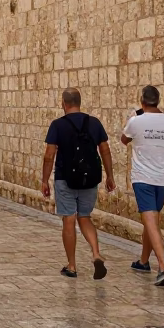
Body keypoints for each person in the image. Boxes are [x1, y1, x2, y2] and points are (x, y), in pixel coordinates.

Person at [42, 88, 115, 279]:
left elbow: (49, 155)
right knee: (85, 217)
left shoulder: (57, 125)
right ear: (79, 102)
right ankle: (96, 254)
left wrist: (44, 180)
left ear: (64, 103)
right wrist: (110, 176)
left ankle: (72, 266)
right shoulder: (94, 123)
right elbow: (105, 150)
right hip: (89, 179)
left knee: (69, 219)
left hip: (65, 179)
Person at [122, 85, 164, 286]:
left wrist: (135, 117)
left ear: (142, 101)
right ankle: (143, 262)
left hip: (143, 179)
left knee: (151, 222)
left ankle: (163, 267)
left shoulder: (135, 121)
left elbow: (124, 140)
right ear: (158, 101)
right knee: (152, 222)